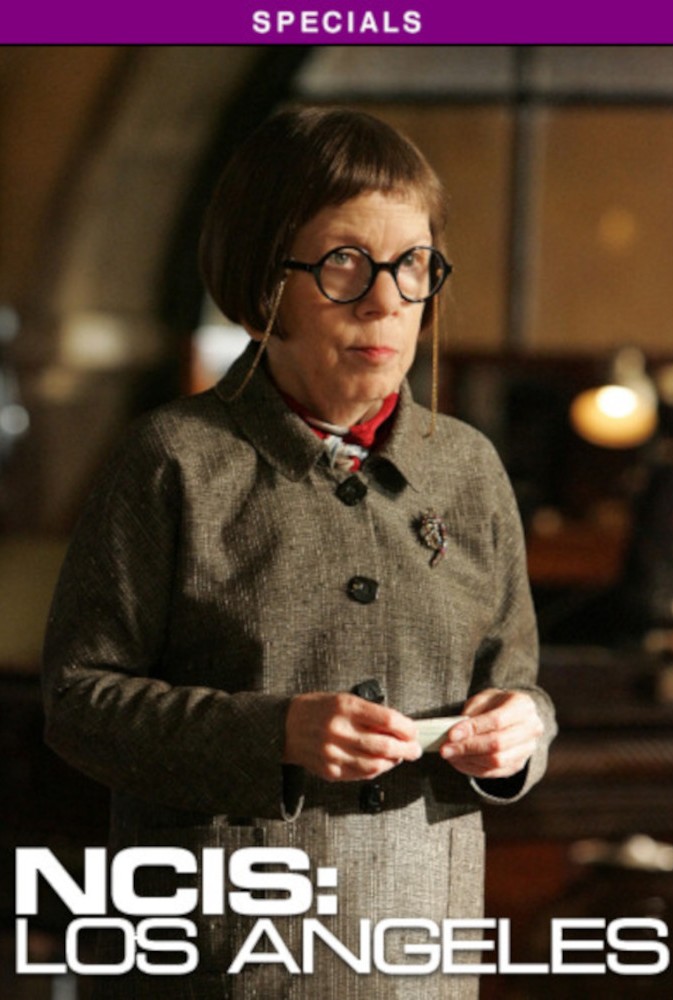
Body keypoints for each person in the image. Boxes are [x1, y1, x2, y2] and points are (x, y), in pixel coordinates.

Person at [42, 106, 557, 999]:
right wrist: (273, 734)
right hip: (223, 965)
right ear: (261, 280)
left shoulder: (469, 468)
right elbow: (79, 704)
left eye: (413, 264)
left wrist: (523, 732)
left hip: (423, 961)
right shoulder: (171, 459)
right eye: (344, 261)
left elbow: (520, 685)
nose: (386, 299)